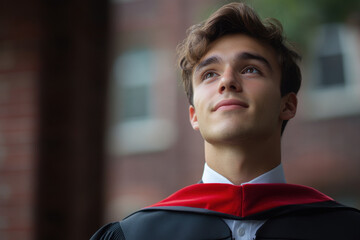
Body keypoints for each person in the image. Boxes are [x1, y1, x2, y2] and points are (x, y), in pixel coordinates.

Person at [91, 2, 360, 240]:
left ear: (287, 105)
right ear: (194, 116)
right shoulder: (134, 236)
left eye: (250, 69)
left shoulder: (347, 230)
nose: (227, 81)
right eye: (209, 74)